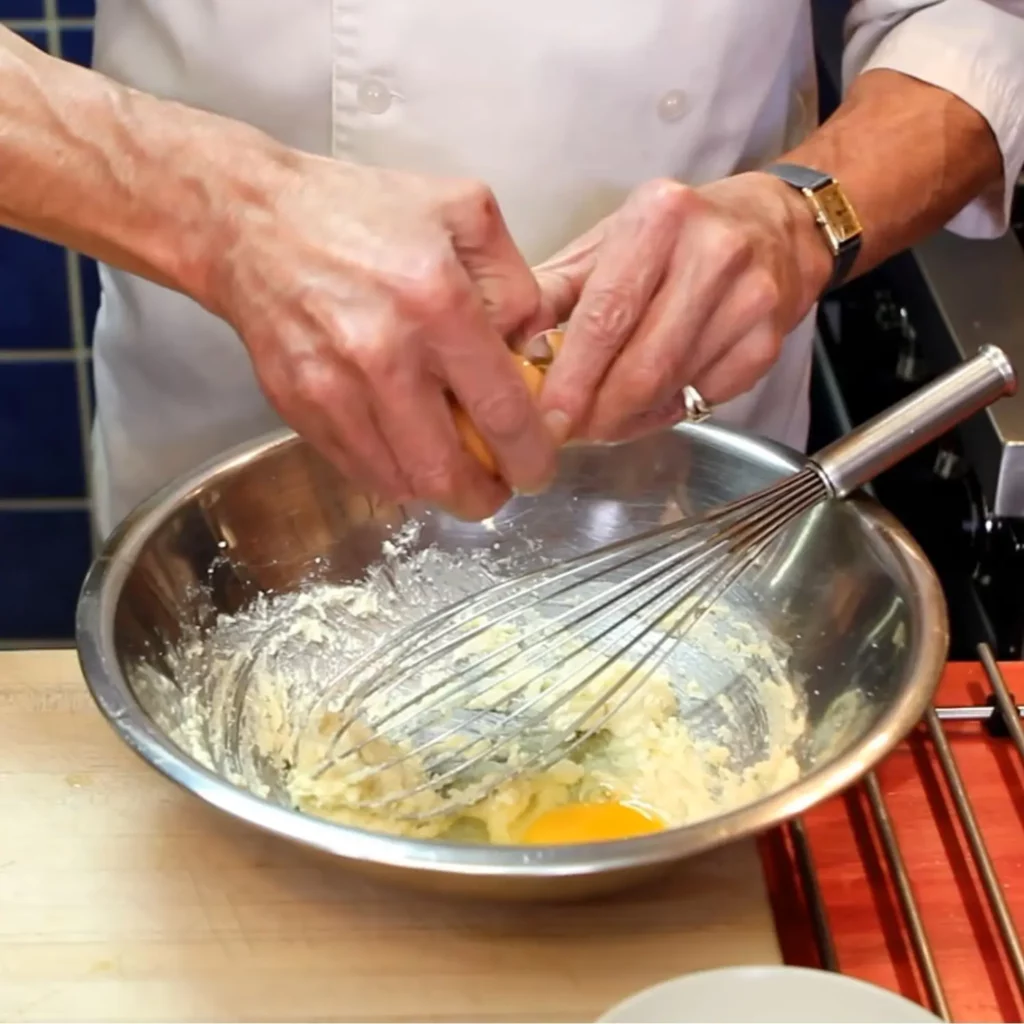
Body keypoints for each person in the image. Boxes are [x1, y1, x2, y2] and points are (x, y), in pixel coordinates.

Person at [1, 3, 1021, 534]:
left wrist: (801, 218)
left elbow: (980, 19)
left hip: (691, 462)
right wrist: (216, 211)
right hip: (226, 423)